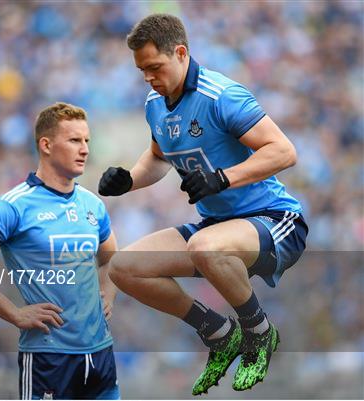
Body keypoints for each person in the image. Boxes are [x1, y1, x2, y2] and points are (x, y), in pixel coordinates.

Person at [98, 14, 308, 395]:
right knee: (124, 268)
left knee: (204, 246)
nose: (148, 77)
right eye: (142, 70)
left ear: (180, 53)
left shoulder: (221, 95)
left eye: (154, 67)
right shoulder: (156, 103)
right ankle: (218, 333)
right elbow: (158, 158)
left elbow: (284, 151)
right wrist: (129, 179)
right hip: (216, 230)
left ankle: (259, 332)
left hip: (274, 221)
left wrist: (224, 177)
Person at [0, 102, 120, 400]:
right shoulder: (14, 205)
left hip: (100, 353)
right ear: (46, 145)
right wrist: (15, 313)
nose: (84, 149)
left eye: (86, 141)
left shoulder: (92, 204)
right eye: (74, 140)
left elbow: (110, 259)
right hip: (48, 357)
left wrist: (108, 294)